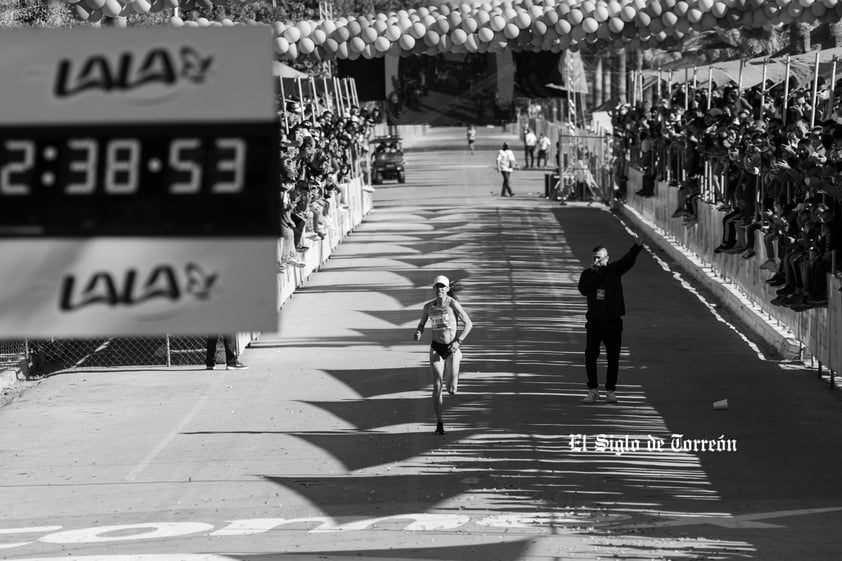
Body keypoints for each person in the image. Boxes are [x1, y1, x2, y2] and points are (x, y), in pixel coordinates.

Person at [577, 235, 644, 403]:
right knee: (590, 355)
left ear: (607, 258)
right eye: (594, 258)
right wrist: (593, 272)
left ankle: (610, 390)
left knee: (613, 358)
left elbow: (627, 261)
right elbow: (583, 290)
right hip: (594, 322)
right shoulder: (587, 274)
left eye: (599, 258)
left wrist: (637, 246)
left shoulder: (614, 271)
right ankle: (593, 390)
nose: (596, 261)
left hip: (613, 322)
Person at [413, 275, 473, 435]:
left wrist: (458, 341)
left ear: (447, 289)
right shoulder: (428, 307)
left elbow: (469, 323)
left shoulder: (452, 304)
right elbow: (421, 323)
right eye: (437, 287)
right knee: (437, 386)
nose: (439, 289)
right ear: (433, 289)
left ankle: (458, 357)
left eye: (442, 287)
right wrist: (418, 331)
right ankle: (439, 423)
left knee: (452, 390)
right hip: (436, 348)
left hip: (452, 348)